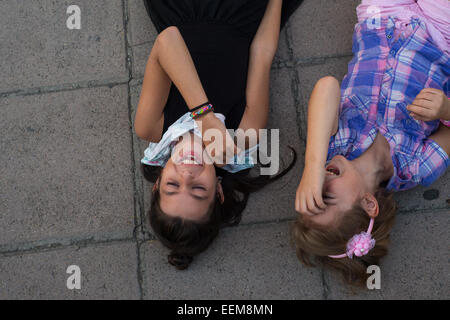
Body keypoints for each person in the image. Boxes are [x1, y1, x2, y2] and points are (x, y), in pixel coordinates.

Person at [135, 0, 303, 269]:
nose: (186, 175)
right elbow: (261, 54)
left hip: (179, 10)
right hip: (239, 11)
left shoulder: (152, 127)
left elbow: (168, 40)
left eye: (172, 186)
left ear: (157, 184)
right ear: (219, 193)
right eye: (198, 189)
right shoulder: (244, 135)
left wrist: (204, 115)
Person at [292, 0, 449, 287]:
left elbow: (326, 86)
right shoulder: (416, 167)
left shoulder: (335, 146)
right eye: (325, 197)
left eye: (310, 191)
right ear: (368, 203)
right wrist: (445, 110)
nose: (320, 182)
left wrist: (311, 167)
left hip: (380, 19)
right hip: (441, 38)